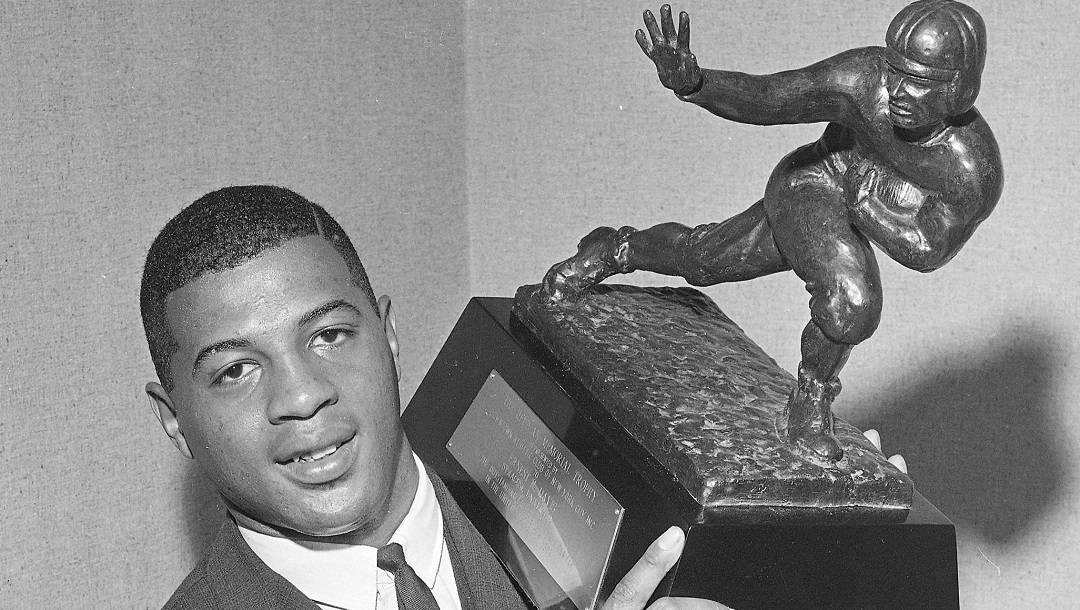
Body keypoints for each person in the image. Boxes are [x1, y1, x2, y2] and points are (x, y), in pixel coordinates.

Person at [142, 185, 749, 610]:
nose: (302, 396)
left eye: (328, 336)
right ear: (175, 424)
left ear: (390, 337)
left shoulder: (581, 506)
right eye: (236, 372)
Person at [543, 1, 1003, 462]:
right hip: (811, 183)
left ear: (959, 88)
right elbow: (775, 98)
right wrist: (697, 84)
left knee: (710, 262)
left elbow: (927, 249)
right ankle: (618, 249)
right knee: (841, 297)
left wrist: (866, 209)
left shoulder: (971, 170)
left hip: (850, 207)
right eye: (895, 70)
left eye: (920, 80)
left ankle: (618, 248)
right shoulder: (864, 82)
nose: (898, 90)